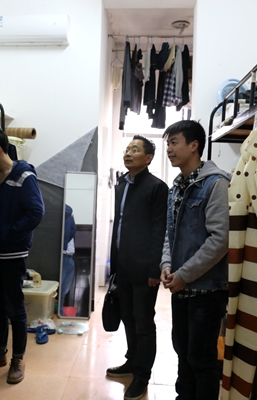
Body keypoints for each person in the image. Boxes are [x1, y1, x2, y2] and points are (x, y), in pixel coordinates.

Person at [160, 120, 231, 400]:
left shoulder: (216, 184)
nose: (169, 149)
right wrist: (166, 265)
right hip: (181, 287)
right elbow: (170, 233)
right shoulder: (177, 185)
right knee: (182, 352)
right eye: (167, 143)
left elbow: (219, 240)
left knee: (202, 359)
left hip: (206, 290)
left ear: (194, 145)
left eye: (174, 142)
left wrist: (183, 275)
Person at [0, 128, 45, 384]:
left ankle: (18, 358)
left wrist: (8, 234)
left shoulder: (24, 176)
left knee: (14, 306)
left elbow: (36, 212)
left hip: (13, 252)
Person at [106, 135, 168, 400]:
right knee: (127, 318)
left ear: (148, 158)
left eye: (135, 149)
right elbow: (119, 224)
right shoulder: (122, 183)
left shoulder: (157, 188)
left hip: (144, 270)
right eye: (127, 149)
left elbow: (159, 230)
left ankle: (142, 376)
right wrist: (114, 263)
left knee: (143, 322)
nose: (128, 153)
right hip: (123, 265)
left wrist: (154, 270)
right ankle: (132, 361)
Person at [60, 204, 77, 316]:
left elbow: (72, 231)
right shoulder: (67, 211)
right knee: (63, 291)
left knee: (62, 291)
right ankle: (60, 314)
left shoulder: (64, 211)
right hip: (66, 255)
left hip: (66, 255)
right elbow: (73, 230)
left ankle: (59, 314)